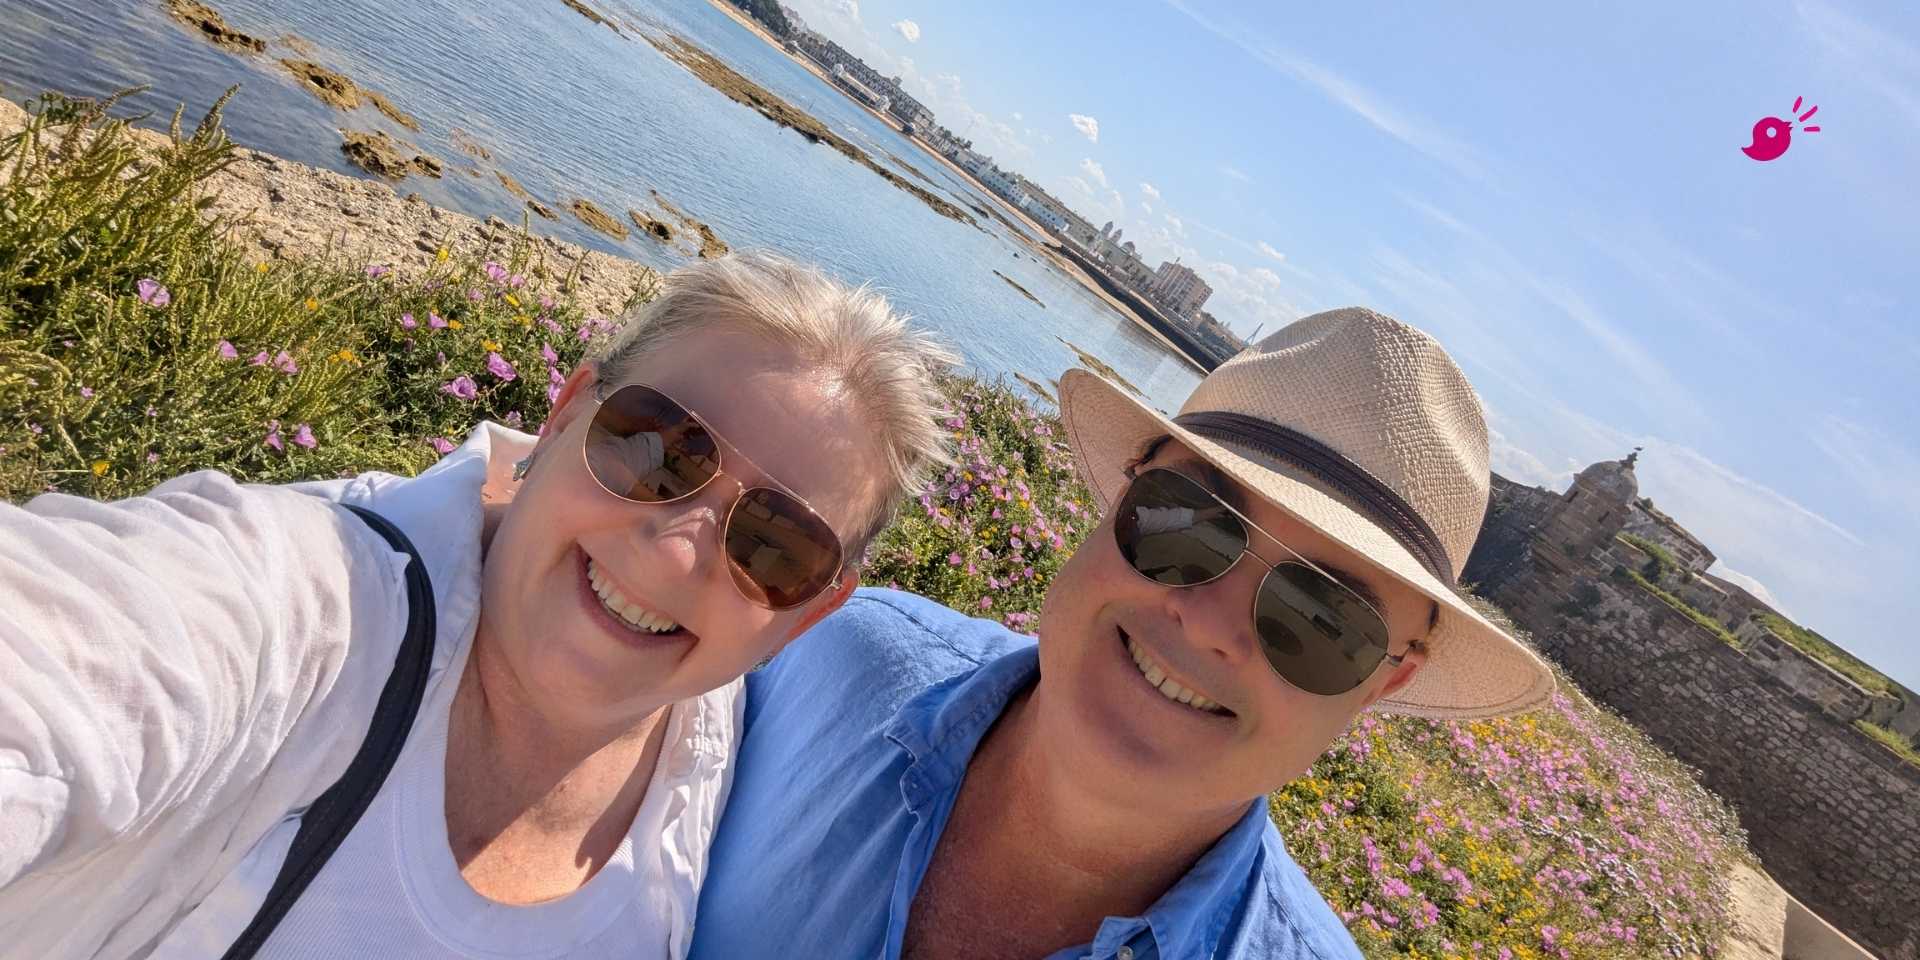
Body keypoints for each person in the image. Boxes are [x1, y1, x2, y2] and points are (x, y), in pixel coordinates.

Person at [0, 251, 958, 960]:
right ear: (564, 413)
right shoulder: (304, 607)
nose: (675, 550)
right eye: (657, 445)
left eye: (774, 544)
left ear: (808, 613)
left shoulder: (710, 752)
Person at [689, 307, 1557, 960]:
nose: (1209, 622)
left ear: (1384, 682)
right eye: (1187, 521)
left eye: (1323, 619)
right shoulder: (823, 660)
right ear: (1120, 501)